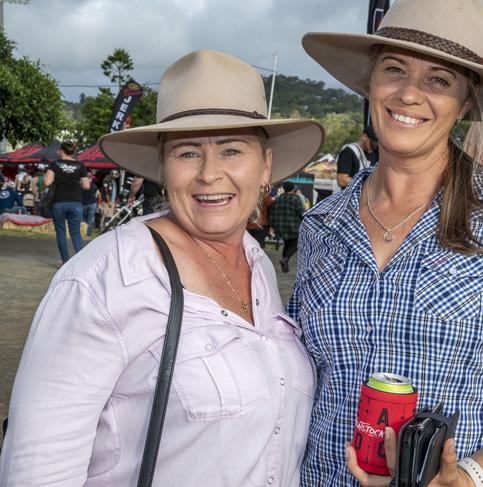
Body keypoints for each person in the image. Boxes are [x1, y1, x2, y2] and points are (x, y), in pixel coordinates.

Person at [295, 0, 483, 485]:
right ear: (370, 83)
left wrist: (471, 477)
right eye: (394, 69)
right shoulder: (322, 226)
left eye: (439, 79)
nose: (409, 94)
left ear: (467, 102)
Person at [0, 50, 324, 486]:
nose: (210, 174)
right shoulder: (105, 279)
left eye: (232, 150)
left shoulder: (257, 263)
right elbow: (38, 470)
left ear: (265, 165)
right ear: (161, 167)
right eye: (188, 154)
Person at [44, 141, 90, 263]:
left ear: (61, 151)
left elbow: (47, 182)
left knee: (61, 233)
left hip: (59, 201)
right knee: (75, 233)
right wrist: (76, 181)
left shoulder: (55, 164)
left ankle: (65, 261)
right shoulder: (80, 165)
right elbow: (86, 186)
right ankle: (81, 262)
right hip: (75, 202)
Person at [270, 181, 305, 273]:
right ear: (293, 188)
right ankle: (285, 259)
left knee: (287, 244)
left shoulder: (278, 199)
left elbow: (272, 213)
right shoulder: (295, 199)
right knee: (295, 245)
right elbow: (301, 213)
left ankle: (285, 265)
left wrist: (273, 225)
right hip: (293, 226)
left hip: (281, 227)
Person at [337, 124, 379, 189]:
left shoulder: (376, 153)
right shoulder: (349, 151)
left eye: (377, 144)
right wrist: (367, 182)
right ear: (364, 136)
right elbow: (342, 180)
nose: (374, 147)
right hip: (351, 196)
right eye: (372, 143)